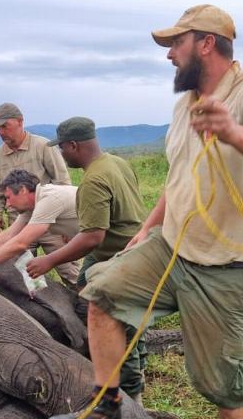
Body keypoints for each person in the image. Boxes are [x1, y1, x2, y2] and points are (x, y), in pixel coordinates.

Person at [44, 4, 243, 419]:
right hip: (173, 247)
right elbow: (179, 176)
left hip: (228, 264)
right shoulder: (186, 106)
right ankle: (106, 409)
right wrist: (147, 228)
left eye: (175, 46)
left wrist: (230, 130)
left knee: (225, 384)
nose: (168, 57)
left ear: (207, 43)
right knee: (101, 293)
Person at [24, 117, 150, 402]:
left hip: (120, 263)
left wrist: (50, 260)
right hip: (136, 255)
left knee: (117, 330)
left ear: (73, 145)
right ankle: (135, 371)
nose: (61, 155)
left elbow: (94, 236)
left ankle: (131, 403)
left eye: (62, 149)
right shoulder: (117, 163)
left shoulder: (93, 179)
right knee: (130, 325)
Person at [0, 169, 80, 287]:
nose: (8, 205)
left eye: (8, 197)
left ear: (22, 190)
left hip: (98, 240)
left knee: (84, 285)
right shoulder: (31, 205)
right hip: (90, 238)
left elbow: (20, 243)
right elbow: (7, 236)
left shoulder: (49, 199)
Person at [0, 102, 71, 238]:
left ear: (20, 122)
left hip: (49, 220)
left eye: (5, 126)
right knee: (18, 259)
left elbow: (63, 183)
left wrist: (66, 224)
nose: (1, 132)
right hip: (17, 223)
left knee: (62, 257)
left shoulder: (43, 147)